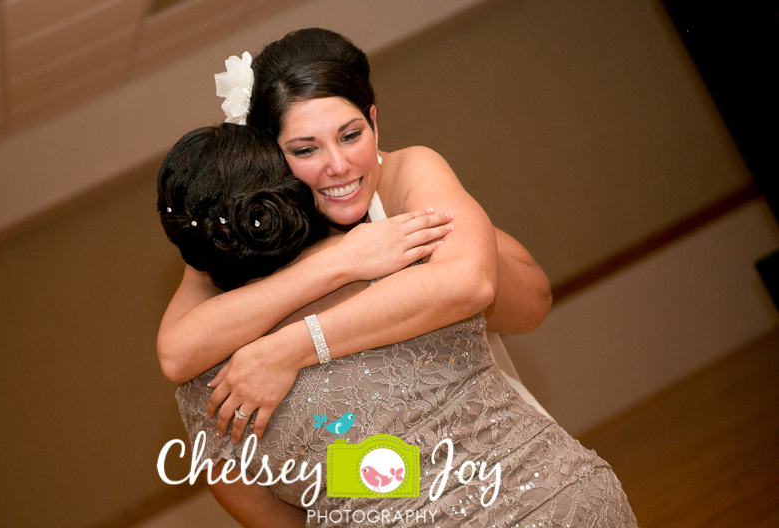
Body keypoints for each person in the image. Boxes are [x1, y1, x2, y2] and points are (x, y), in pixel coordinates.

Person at [156, 123, 638, 527]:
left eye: (347, 137)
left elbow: (297, 502)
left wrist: (407, 494)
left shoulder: (212, 384)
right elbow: (530, 297)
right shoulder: (399, 250)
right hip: (560, 497)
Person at [157, 29, 553, 447]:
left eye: (350, 135)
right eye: (305, 150)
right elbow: (176, 354)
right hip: (391, 474)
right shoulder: (249, 231)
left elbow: (490, 289)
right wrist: (340, 263)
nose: (339, 166)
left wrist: (293, 346)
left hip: (492, 441)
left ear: (374, 123)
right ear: (270, 155)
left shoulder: (408, 172)